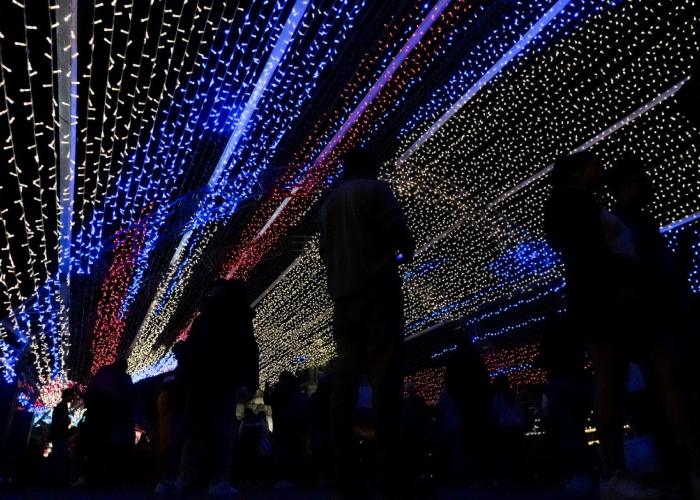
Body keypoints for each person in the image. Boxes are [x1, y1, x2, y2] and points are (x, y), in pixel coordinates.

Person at [544, 151, 664, 500]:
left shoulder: (575, 201)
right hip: (604, 300)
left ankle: (616, 473)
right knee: (611, 381)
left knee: (613, 380)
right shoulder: (574, 200)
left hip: (599, 298)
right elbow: (590, 252)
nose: (602, 168)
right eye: (595, 163)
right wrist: (621, 284)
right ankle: (614, 474)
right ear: (575, 171)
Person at [318, 146, 415, 499]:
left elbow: (324, 250)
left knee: (344, 382)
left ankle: (343, 469)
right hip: (378, 291)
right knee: (385, 377)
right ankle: (389, 471)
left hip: (343, 298)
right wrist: (405, 250)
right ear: (370, 166)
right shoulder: (376, 190)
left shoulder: (329, 203)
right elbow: (398, 232)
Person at [608, 158, 700, 494]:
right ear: (624, 186)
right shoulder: (619, 225)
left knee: (675, 394)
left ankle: (684, 471)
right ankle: (685, 470)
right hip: (656, 322)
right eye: (641, 179)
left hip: (673, 317)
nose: (649, 184)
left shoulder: (642, 222)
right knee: (670, 395)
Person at [157, 279, 259, 496]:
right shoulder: (238, 317)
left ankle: (170, 479)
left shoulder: (203, 319)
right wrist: (250, 380)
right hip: (225, 381)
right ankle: (218, 480)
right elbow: (249, 350)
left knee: (187, 431)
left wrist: (183, 381)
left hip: (199, 382)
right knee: (223, 431)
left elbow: (189, 353)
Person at [539, 312, 594, 491]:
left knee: (569, 431)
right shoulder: (572, 335)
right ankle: (594, 470)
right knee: (579, 429)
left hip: (560, 384)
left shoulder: (549, 340)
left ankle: (581, 474)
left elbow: (540, 360)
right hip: (580, 381)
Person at [83, 358, 135, 489]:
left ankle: (91, 479)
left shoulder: (102, 374)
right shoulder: (122, 379)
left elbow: (89, 394)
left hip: (95, 416)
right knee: (107, 447)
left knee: (95, 448)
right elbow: (127, 398)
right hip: (109, 418)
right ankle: (105, 479)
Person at [490, 374, 527, 484]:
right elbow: (520, 411)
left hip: (504, 427)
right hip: (517, 426)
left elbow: (495, 414)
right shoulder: (513, 396)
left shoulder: (496, 397)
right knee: (517, 453)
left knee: (505, 453)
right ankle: (520, 477)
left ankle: (508, 478)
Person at [47, 388, 76, 485]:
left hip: (57, 434)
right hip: (60, 434)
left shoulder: (60, 406)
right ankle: (59, 479)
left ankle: (55, 478)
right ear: (67, 396)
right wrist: (68, 422)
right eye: (71, 396)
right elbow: (63, 420)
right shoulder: (63, 406)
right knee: (61, 456)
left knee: (58, 455)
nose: (72, 398)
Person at [401, 382, 429, 484]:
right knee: (418, 452)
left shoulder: (407, 402)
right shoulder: (416, 401)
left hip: (413, 431)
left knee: (415, 452)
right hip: (415, 430)